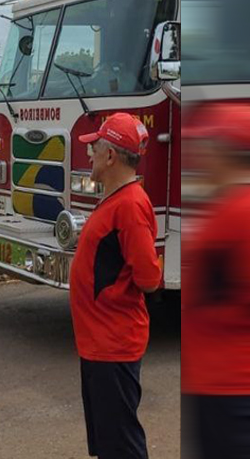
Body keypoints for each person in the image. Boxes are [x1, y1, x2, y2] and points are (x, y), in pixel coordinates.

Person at [70, 113, 161, 459]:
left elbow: (148, 277)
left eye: (94, 148)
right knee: (110, 443)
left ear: (110, 157)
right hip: (98, 344)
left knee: (122, 445)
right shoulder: (116, 200)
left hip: (113, 345)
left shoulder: (131, 206)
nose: (89, 154)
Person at [181, 103, 250, 459]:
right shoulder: (225, 206)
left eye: (207, 148)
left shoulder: (241, 211)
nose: (199, 157)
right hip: (213, 388)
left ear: (227, 152)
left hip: (233, 392)